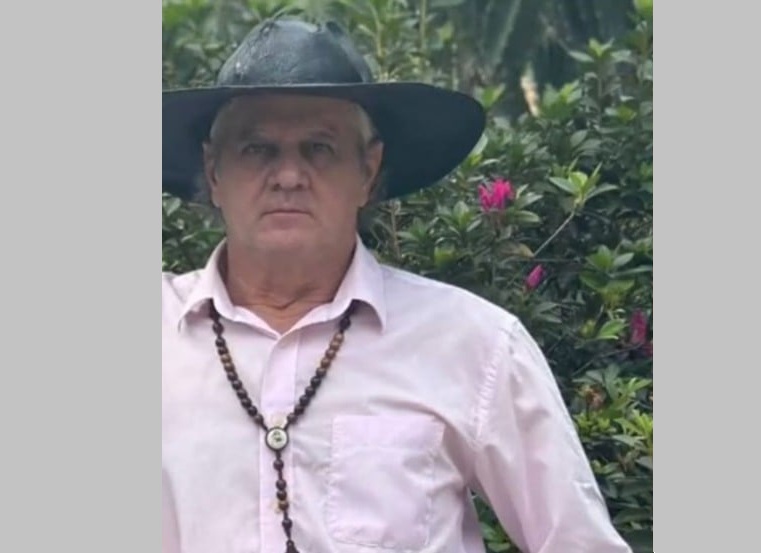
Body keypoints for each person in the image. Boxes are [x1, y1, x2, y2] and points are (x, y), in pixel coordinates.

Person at [162, 17, 632, 553]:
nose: (288, 176)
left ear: (368, 170)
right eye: (256, 149)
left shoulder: (472, 344)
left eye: (319, 148)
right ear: (214, 171)